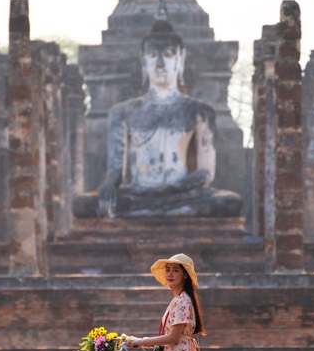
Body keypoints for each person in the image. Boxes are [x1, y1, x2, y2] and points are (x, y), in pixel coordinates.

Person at [72, 19, 242, 219]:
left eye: (168, 55)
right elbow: (116, 170)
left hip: (182, 195)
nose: (160, 64)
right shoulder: (122, 112)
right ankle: (158, 211)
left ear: (180, 59)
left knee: (229, 203)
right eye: (152, 56)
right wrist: (108, 186)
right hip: (138, 193)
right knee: (83, 205)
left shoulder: (199, 111)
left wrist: (169, 190)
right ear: (143, 61)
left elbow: (205, 173)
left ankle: (153, 212)